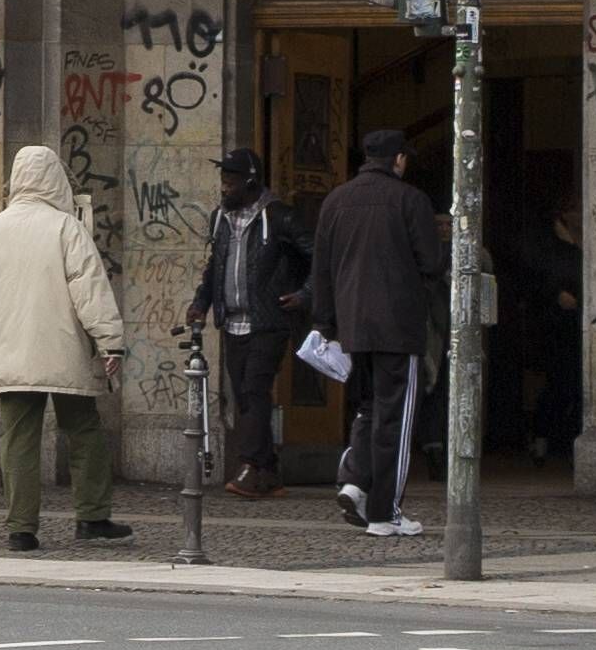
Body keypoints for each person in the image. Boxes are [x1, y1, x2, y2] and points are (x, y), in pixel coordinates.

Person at [0, 143, 131, 552]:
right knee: (83, 429)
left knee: (17, 437)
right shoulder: (65, 227)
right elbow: (89, 291)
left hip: (6, 351)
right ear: (57, 180)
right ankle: (92, 517)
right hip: (62, 347)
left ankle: (21, 529)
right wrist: (110, 342)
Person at [305, 128, 444, 537]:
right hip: (398, 325)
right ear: (399, 159)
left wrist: (325, 323)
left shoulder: (336, 200)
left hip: (352, 326)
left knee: (368, 408)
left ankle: (355, 480)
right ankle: (385, 512)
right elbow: (432, 262)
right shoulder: (410, 199)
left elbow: (322, 269)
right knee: (395, 418)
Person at [185, 147, 306, 498]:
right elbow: (216, 266)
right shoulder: (220, 219)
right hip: (233, 321)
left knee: (255, 390)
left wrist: (304, 294)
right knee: (244, 398)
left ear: (250, 182)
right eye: (223, 181)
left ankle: (251, 466)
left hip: (268, 321)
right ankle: (270, 472)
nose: (224, 188)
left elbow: (317, 257)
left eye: (231, 182)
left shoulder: (280, 217)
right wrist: (201, 302)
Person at [502, 192, 585, 465]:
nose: (578, 215)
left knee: (572, 384)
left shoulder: (583, 242)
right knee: (558, 383)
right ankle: (542, 437)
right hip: (553, 324)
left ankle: (560, 439)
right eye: (573, 210)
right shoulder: (549, 245)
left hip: (578, 322)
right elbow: (537, 279)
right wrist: (556, 295)